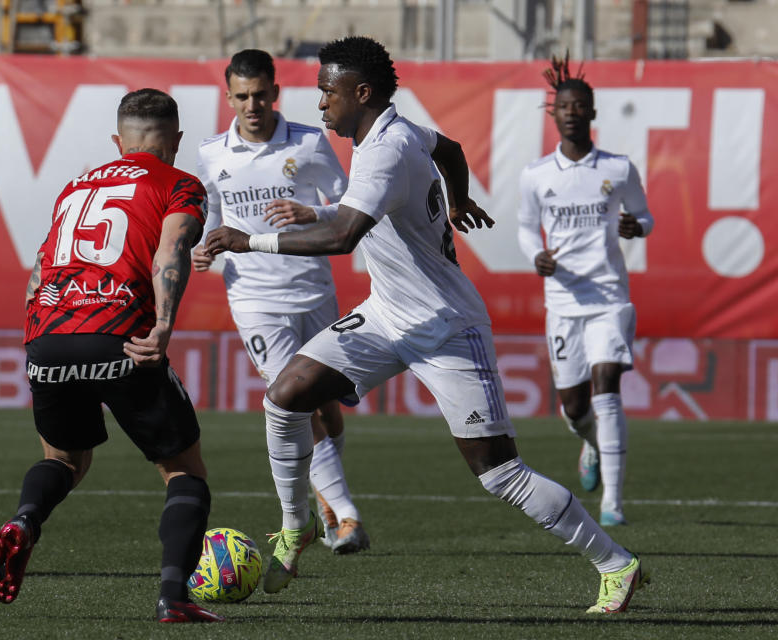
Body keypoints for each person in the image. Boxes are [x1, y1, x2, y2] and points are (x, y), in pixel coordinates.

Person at [205, 36, 649, 613]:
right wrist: (458, 200)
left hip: (445, 327)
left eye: (327, 93)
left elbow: (342, 237)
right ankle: (298, 525)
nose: (319, 105)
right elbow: (454, 149)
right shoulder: (398, 130)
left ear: (360, 94)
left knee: (500, 474)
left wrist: (248, 239)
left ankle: (617, 563)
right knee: (285, 394)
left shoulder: (387, 149)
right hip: (386, 313)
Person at [0, 88, 223, 624]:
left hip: (48, 335)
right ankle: (173, 596)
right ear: (177, 141)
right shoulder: (180, 184)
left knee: (64, 460)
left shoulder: (75, 187)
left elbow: (39, 274)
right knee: (183, 469)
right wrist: (162, 326)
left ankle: (24, 521)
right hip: (120, 337)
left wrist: (41, 342)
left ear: (119, 142)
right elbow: (171, 250)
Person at [192, 48, 369, 553]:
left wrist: (310, 211)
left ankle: (326, 503)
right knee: (294, 400)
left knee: (326, 405)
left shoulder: (311, 142)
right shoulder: (213, 152)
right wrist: (206, 244)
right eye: (242, 96)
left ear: (275, 92)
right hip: (253, 296)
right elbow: (212, 206)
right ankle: (344, 518)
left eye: (260, 94)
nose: (252, 104)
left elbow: (348, 207)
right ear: (229, 97)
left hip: (313, 289)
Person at [517, 55, 655, 527]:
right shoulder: (537, 175)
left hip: (609, 298)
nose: (573, 112)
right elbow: (522, 228)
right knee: (575, 407)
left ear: (592, 113)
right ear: (553, 114)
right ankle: (590, 442)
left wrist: (638, 225)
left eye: (581, 106)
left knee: (607, 387)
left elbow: (645, 215)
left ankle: (613, 500)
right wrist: (535, 256)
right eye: (565, 106)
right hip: (563, 302)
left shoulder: (617, 168)